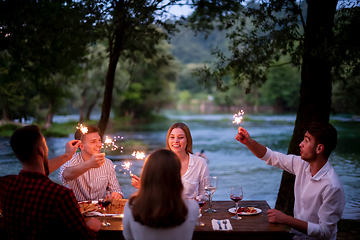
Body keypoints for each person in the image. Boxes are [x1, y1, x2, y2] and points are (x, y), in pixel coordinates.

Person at [235, 122, 345, 240]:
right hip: (296, 236)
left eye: (306, 141)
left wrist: (285, 219)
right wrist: (248, 142)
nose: (300, 144)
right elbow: (271, 157)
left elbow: (325, 232)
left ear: (319, 148)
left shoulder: (332, 186)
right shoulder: (302, 165)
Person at [0, 125, 101, 239]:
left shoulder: (5, 185)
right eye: (45, 143)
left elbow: (39, 173)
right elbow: (86, 238)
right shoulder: (60, 196)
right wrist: (91, 228)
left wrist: (67, 155)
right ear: (41, 150)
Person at [123, 149, 199, 240]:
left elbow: (128, 237)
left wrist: (143, 187)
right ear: (176, 175)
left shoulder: (131, 206)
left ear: (147, 174)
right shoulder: (192, 207)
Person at [131, 122, 209, 200]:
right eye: (172, 137)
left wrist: (199, 199)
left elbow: (206, 194)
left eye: (180, 137)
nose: (176, 141)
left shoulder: (200, 163)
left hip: (190, 210)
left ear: (187, 140)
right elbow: (152, 196)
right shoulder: (157, 162)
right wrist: (143, 187)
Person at [59, 126, 123, 201]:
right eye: (93, 142)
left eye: (99, 140)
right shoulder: (71, 160)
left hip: (99, 210)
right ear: (81, 146)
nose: (99, 145)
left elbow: (116, 190)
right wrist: (89, 164)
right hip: (75, 210)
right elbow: (64, 176)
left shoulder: (108, 163)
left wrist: (116, 195)